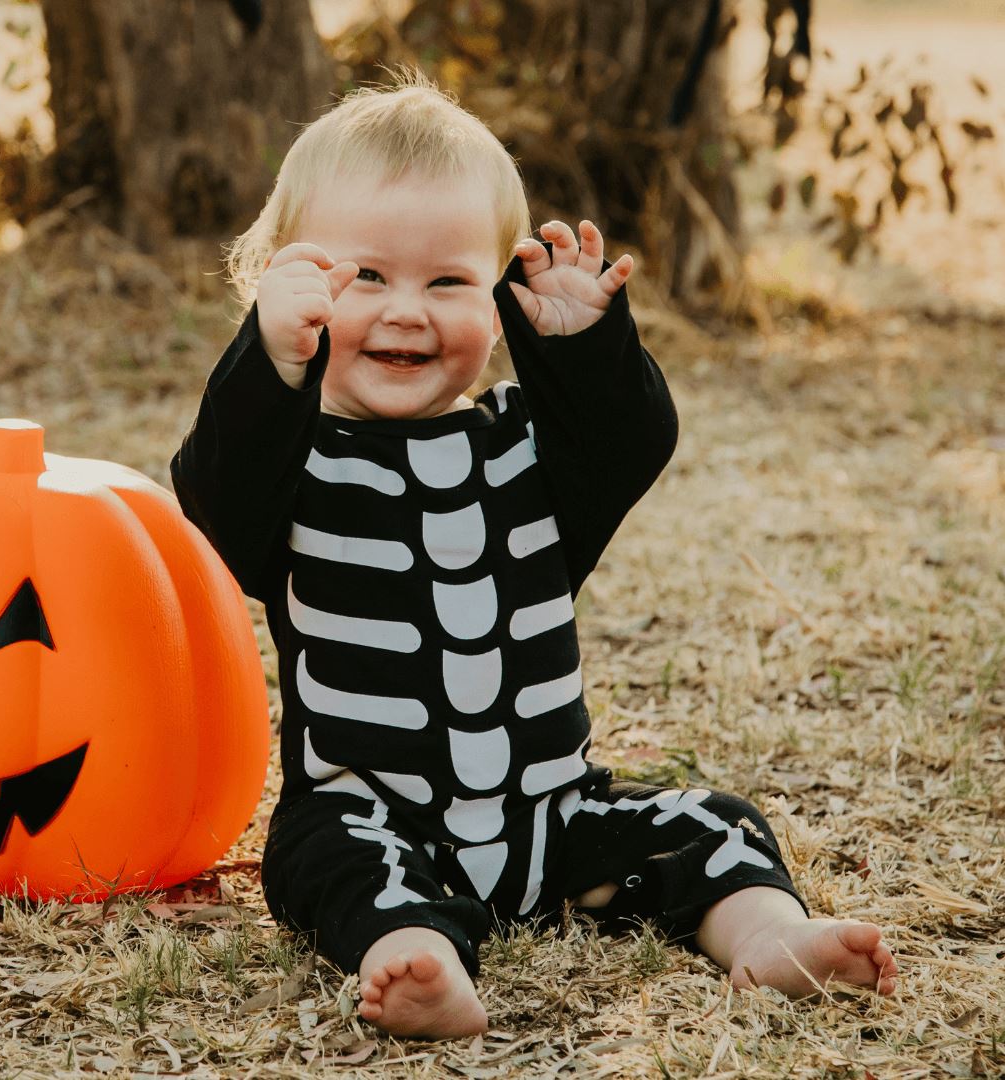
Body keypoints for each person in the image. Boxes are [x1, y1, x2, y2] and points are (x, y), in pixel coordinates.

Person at [171, 75, 897, 1040]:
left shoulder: (527, 455)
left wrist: (585, 348)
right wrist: (265, 359)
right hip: (373, 814)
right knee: (321, 862)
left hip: (554, 819)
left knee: (712, 823)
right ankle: (413, 954)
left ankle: (767, 935)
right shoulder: (290, 463)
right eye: (366, 278)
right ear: (289, 287)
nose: (406, 311)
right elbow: (213, 489)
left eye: (448, 282)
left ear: (502, 296)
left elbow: (626, 445)